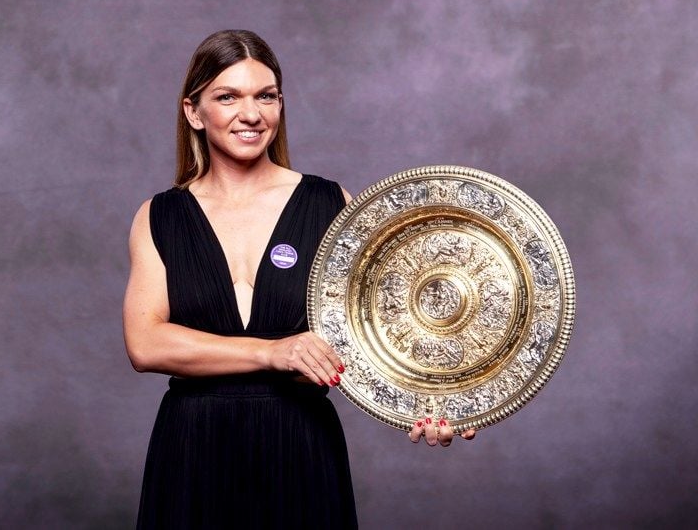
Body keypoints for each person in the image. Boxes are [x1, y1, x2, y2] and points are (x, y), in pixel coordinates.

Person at [122, 29, 475, 530]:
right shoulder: (159, 215)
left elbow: (392, 327)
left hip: (300, 445)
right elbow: (146, 343)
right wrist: (272, 351)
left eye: (266, 96)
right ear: (193, 111)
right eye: (228, 97)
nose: (251, 113)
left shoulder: (332, 205)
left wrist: (430, 401)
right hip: (191, 448)